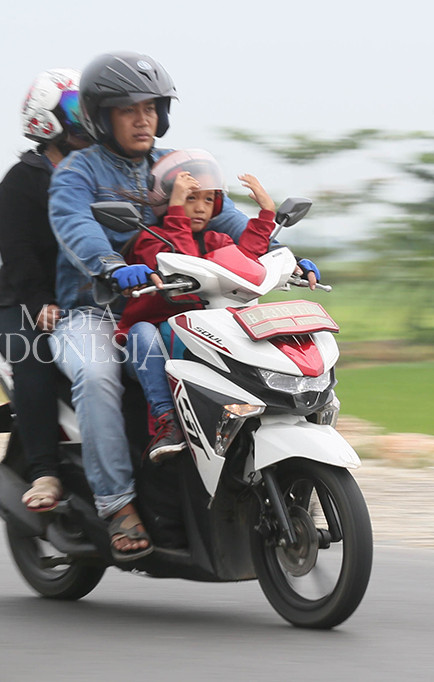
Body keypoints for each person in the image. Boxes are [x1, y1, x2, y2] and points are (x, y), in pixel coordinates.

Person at [47, 51, 276, 561]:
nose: (143, 117)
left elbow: (228, 220)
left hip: (176, 307)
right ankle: (117, 505)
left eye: (151, 106)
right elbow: (74, 226)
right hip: (94, 310)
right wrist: (108, 264)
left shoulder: (176, 166)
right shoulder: (78, 173)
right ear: (100, 115)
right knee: (98, 375)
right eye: (128, 108)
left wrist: (285, 256)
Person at [116, 150, 277, 461]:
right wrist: (176, 211)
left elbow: (245, 261)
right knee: (141, 332)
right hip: (156, 341)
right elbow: (181, 261)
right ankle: (168, 421)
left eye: (207, 199)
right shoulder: (150, 239)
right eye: (191, 198)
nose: (200, 208)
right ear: (169, 201)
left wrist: (266, 215)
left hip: (204, 334)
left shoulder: (216, 240)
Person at [0, 68, 92, 512]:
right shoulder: (20, 183)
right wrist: (38, 303)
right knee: (34, 360)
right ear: (48, 120)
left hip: (88, 297)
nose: (91, 119)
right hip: (21, 301)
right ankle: (44, 470)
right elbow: (18, 253)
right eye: (78, 111)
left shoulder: (103, 172)